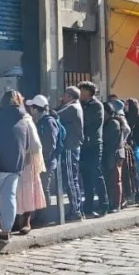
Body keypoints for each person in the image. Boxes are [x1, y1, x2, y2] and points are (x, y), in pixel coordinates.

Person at [0, 90, 35, 244]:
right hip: (14, 166)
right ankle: (6, 231)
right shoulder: (24, 120)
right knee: (9, 198)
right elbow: (27, 144)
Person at [14, 94, 47, 232]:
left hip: (25, 161)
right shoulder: (21, 119)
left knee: (24, 191)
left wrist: (30, 157)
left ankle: (25, 221)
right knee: (16, 191)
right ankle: (17, 221)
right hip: (16, 160)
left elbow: (36, 144)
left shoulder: (26, 120)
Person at [77, 82, 107, 218]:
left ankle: (103, 205)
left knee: (96, 174)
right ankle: (88, 207)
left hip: (94, 144)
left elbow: (91, 123)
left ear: (89, 92)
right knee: (86, 178)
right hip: (82, 146)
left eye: (82, 91)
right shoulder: (79, 105)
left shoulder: (97, 106)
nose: (80, 94)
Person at [27, 95, 62, 209]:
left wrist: (44, 159)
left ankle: (45, 214)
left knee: (43, 187)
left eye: (32, 107)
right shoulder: (41, 121)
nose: (30, 110)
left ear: (36, 109)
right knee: (40, 187)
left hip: (47, 160)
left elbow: (50, 143)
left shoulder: (48, 122)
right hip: (42, 160)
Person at [57, 86, 85, 220]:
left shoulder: (72, 107)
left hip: (70, 146)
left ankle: (76, 210)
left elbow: (56, 115)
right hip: (72, 146)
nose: (62, 97)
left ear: (69, 96)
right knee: (72, 179)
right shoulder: (74, 106)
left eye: (64, 95)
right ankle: (76, 208)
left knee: (71, 179)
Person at [101, 101, 130, 213]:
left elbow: (109, 141)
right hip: (110, 154)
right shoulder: (107, 122)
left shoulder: (113, 123)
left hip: (114, 154)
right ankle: (112, 202)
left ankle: (116, 204)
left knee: (115, 180)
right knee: (109, 180)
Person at [123, 99, 139, 206]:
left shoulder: (137, 116)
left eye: (127, 105)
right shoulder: (125, 116)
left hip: (136, 148)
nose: (125, 106)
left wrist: (133, 143)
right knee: (130, 174)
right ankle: (133, 196)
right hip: (129, 147)